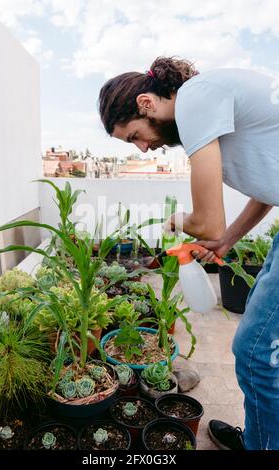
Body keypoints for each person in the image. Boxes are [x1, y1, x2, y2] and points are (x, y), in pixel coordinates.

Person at [98, 56, 279, 450]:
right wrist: (228, 241)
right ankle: (263, 437)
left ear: (146, 104)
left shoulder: (196, 97)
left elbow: (207, 222)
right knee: (267, 353)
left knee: (254, 353)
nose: (144, 149)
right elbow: (268, 188)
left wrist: (177, 220)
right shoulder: (211, 102)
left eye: (134, 136)